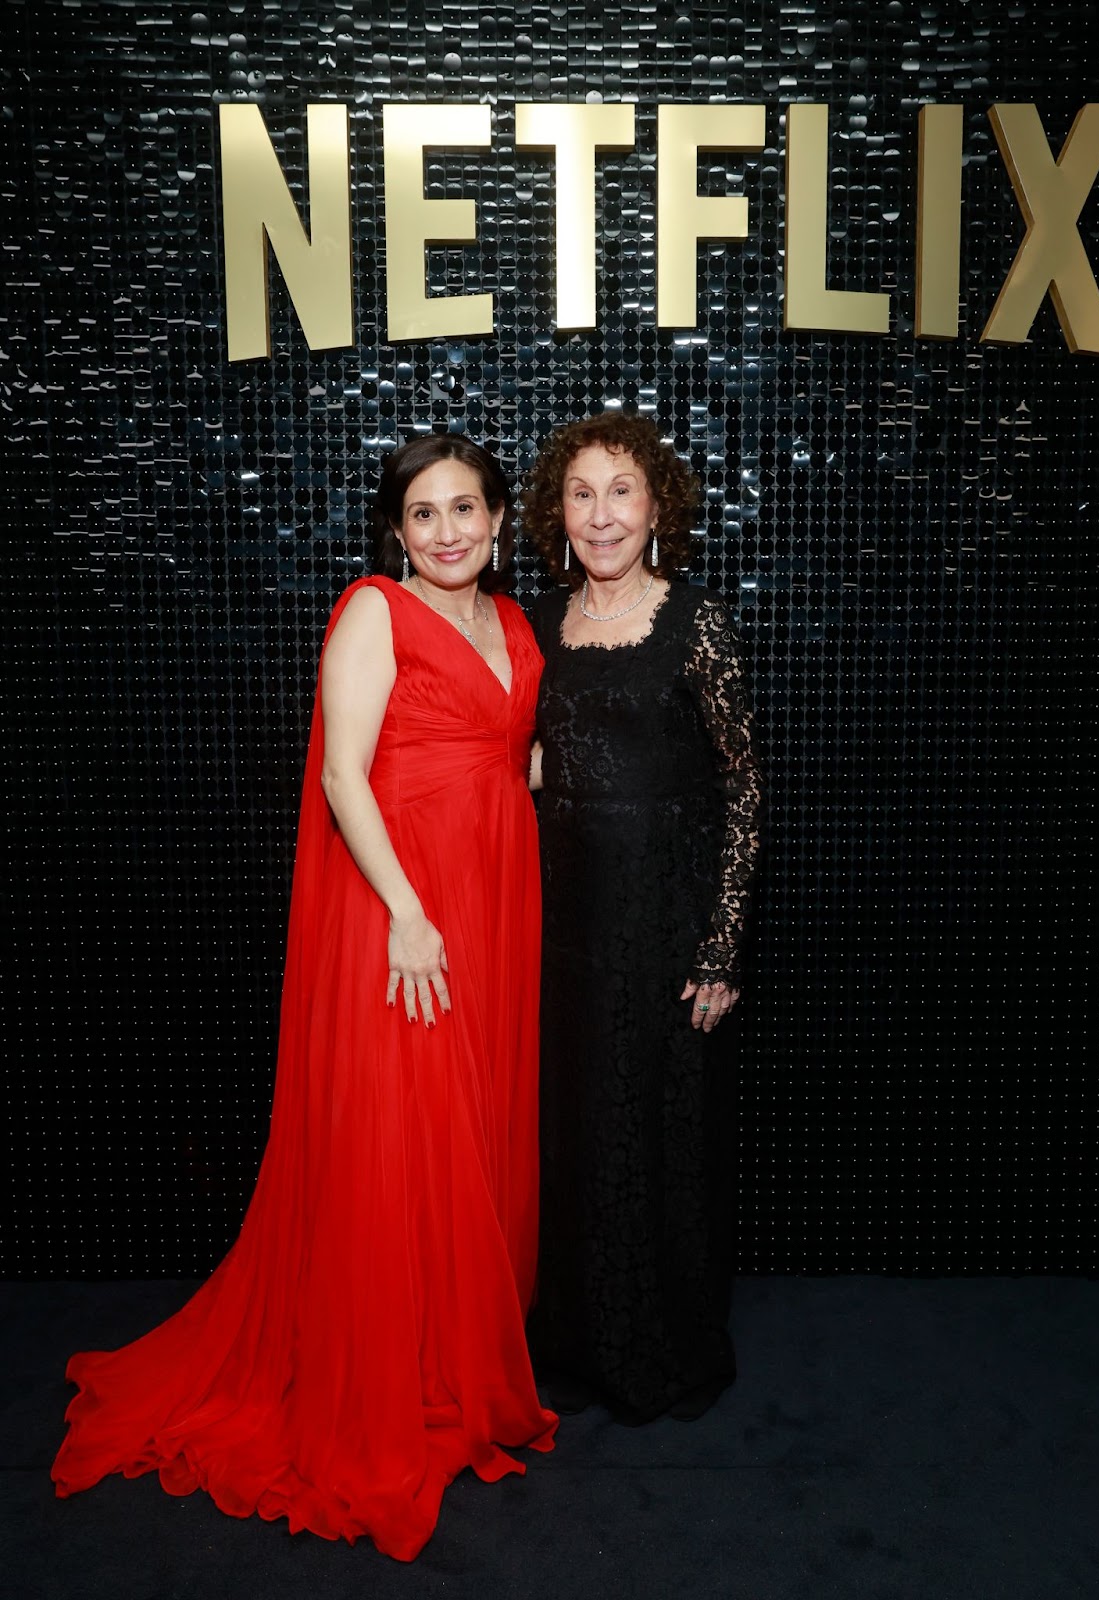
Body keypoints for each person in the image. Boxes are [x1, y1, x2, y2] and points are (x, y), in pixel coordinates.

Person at [52, 434, 557, 1559]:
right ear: (396, 529)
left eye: (465, 508)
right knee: (405, 1134)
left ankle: (451, 1361)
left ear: (497, 519)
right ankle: (393, 1376)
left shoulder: (516, 626)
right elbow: (341, 772)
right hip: (410, 912)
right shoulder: (373, 609)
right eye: (423, 514)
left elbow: (514, 758)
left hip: (498, 900)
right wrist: (407, 911)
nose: (447, 532)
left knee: (471, 1129)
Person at [522, 412, 762, 1425]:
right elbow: (526, 764)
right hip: (564, 932)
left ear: (655, 504)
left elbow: (744, 783)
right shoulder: (538, 625)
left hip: (665, 929)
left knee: (660, 1137)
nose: (601, 513)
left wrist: (720, 943)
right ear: (555, 513)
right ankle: (578, 1345)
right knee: (577, 1132)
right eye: (581, 493)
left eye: (620, 490)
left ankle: (661, 1353)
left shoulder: (694, 619)